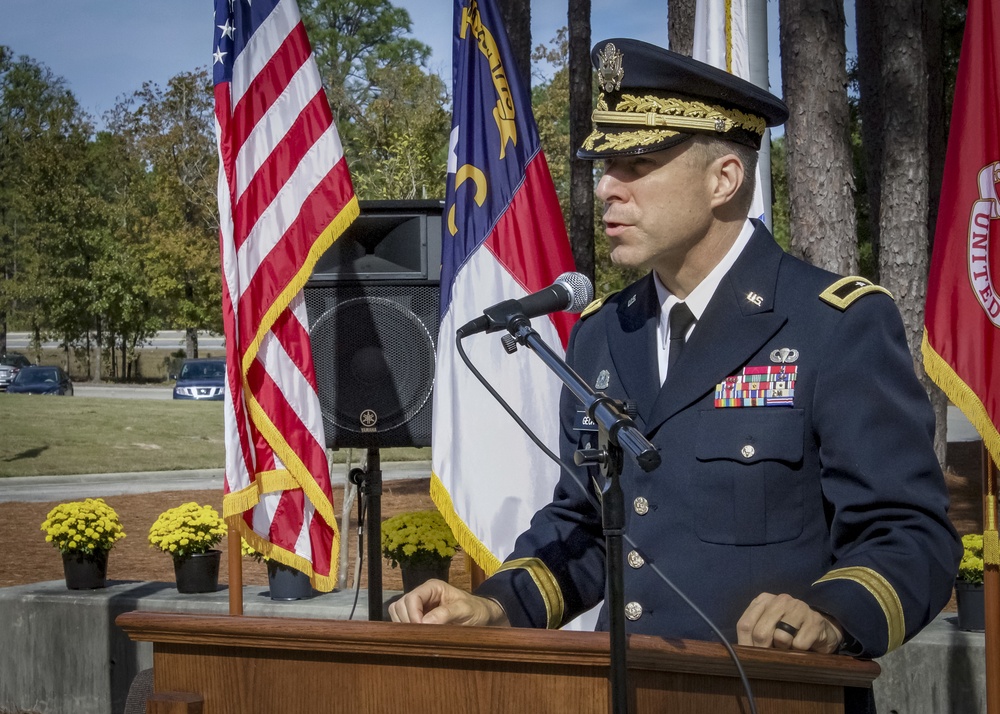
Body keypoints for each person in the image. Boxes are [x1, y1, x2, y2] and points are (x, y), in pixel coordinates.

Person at [390, 36, 960, 678]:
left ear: (724, 179)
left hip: (774, 697)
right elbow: (583, 523)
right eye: (605, 164)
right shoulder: (602, 334)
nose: (607, 186)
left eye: (638, 162)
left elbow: (910, 533)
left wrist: (831, 615)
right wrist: (493, 605)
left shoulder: (834, 324)